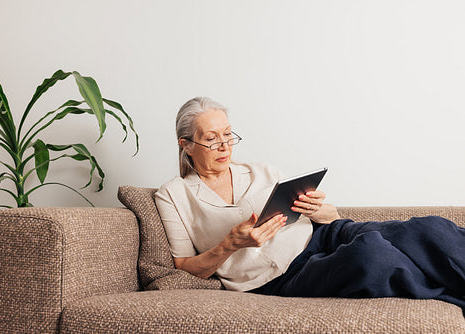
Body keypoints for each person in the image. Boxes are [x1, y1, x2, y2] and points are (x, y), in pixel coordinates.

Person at [154, 97, 465, 309]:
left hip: (324, 234)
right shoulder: (173, 195)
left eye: (228, 134)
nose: (224, 145)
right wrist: (230, 245)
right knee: (372, 254)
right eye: (211, 138)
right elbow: (184, 268)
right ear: (186, 145)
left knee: (430, 229)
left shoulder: (263, 171)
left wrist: (316, 209)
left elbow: (331, 217)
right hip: (283, 275)